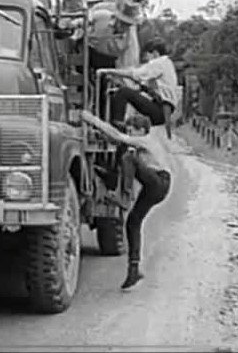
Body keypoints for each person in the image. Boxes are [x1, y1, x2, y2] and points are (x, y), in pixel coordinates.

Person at [81, 111, 173, 290]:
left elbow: (118, 136)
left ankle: (124, 196)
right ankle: (133, 269)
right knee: (133, 222)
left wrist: (92, 119)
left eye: (132, 130)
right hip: (156, 187)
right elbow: (118, 139)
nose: (130, 134)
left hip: (160, 181)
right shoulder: (145, 142)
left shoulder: (147, 139)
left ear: (141, 130)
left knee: (129, 157)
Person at [107, 36, 179, 127]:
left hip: (161, 109)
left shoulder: (159, 62)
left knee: (123, 92)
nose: (147, 61)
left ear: (155, 53)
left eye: (147, 56)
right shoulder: (167, 63)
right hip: (165, 110)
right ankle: (122, 125)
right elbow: (143, 88)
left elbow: (135, 74)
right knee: (123, 92)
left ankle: (117, 127)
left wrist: (109, 71)